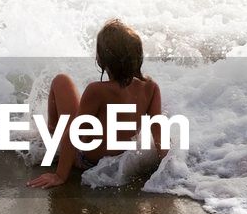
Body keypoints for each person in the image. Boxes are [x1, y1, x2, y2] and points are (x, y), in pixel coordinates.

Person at [26, 19, 165, 189]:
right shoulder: (150, 87)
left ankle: (51, 134)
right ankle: (52, 134)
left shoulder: (97, 90)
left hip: (86, 160)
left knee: (61, 81)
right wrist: (166, 170)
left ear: (101, 59)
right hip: (119, 161)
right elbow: (159, 132)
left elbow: (73, 134)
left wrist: (60, 176)